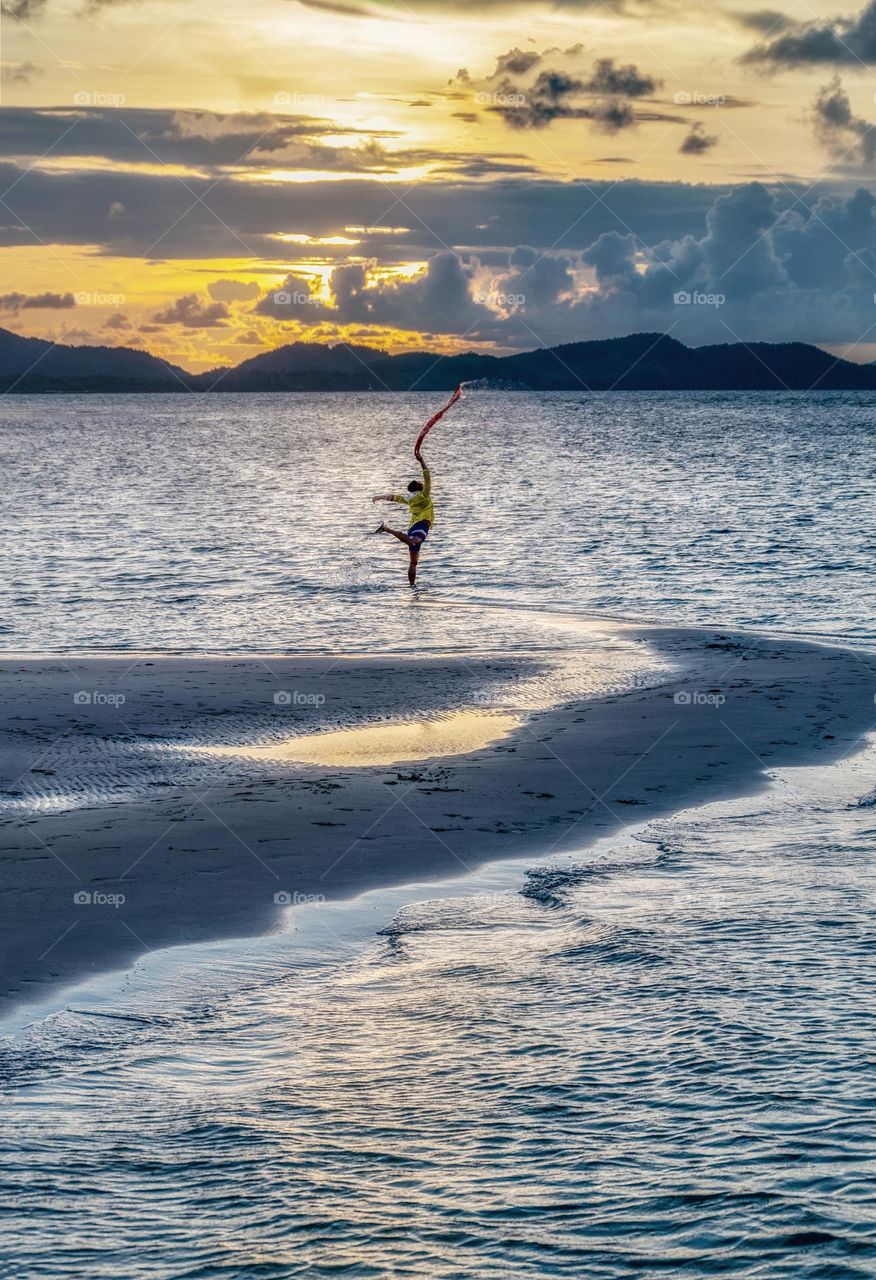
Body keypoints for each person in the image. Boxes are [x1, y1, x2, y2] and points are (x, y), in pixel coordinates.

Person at [371, 448, 433, 586]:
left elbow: (394, 498)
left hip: (413, 527)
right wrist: (421, 460)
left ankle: (412, 587)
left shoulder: (409, 498)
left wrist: (380, 496)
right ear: (419, 488)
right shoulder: (425, 494)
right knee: (414, 542)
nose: (422, 483)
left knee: (414, 562)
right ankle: (386, 529)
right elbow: (427, 475)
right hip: (422, 525)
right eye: (420, 484)